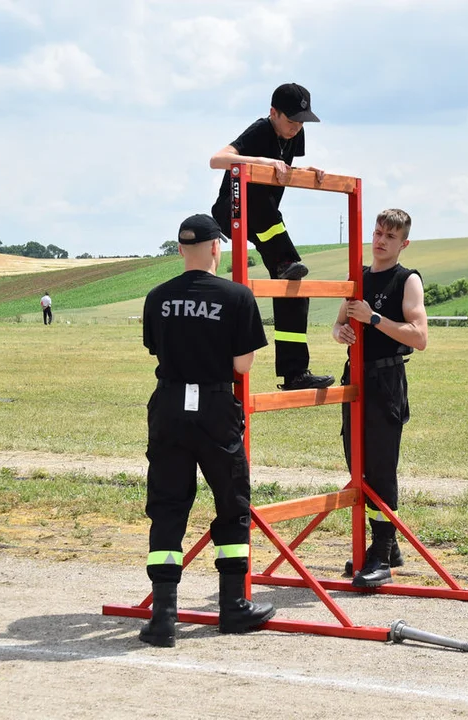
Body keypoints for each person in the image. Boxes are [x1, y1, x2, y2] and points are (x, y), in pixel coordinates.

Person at [139, 213, 274, 648]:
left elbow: (156, 350)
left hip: (169, 406)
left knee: (167, 506)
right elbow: (242, 365)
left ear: (180, 249)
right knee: (231, 502)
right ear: (217, 247)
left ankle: (163, 617)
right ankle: (232, 606)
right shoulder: (237, 296)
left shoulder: (157, 298)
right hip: (215, 406)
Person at [210, 82, 334, 392]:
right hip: (233, 209)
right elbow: (217, 159)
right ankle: (283, 261)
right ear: (272, 113)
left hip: (264, 217)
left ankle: (295, 373)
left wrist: (306, 172)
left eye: (301, 122)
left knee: (295, 288)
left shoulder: (294, 134)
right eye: (291, 121)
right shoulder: (260, 130)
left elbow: (285, 170)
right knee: (265, 210)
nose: (296, 128)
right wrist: (263, 162)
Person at [332, 208, 428, 588]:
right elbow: (338, 322)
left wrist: (373, 319)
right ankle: (385, 547)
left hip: (386, 378)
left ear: (403, 243)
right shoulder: (359, 276)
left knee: (380, 466)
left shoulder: (408, 280)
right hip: (353, 378)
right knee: (356, 462)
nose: (379, 241)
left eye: (389, 236)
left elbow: (419, 338)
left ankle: (381, 551)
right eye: (376, 233)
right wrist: (341, 331)